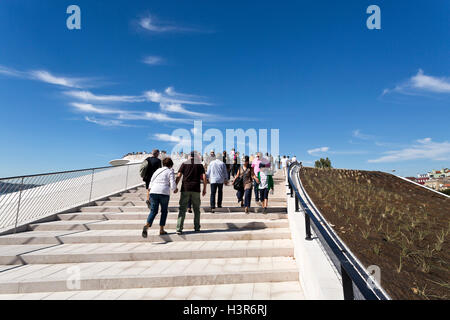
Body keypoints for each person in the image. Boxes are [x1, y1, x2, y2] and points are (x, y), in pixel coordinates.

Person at [142, 157, 178, 237]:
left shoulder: (157, 171)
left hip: (153, 191)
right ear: (171, 165)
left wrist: (149, 193)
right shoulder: (170, 171)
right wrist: (174, 189)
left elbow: (151, 182)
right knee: (164, 211)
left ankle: (147, 225)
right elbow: (172, 183)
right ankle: (161, 229)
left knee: (153, 211)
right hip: (164, 192)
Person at [175, 151, 207, 234]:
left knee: (182, 209)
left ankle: (179, 228)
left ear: (189, 156)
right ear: (196, 157)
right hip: (196, 189)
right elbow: (204, 177)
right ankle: (197, 227)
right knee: (196, 209)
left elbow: (178, 176)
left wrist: (175, 186)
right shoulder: (200, 165)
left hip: (185, 188)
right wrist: (204, 188)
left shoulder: (184, 164)